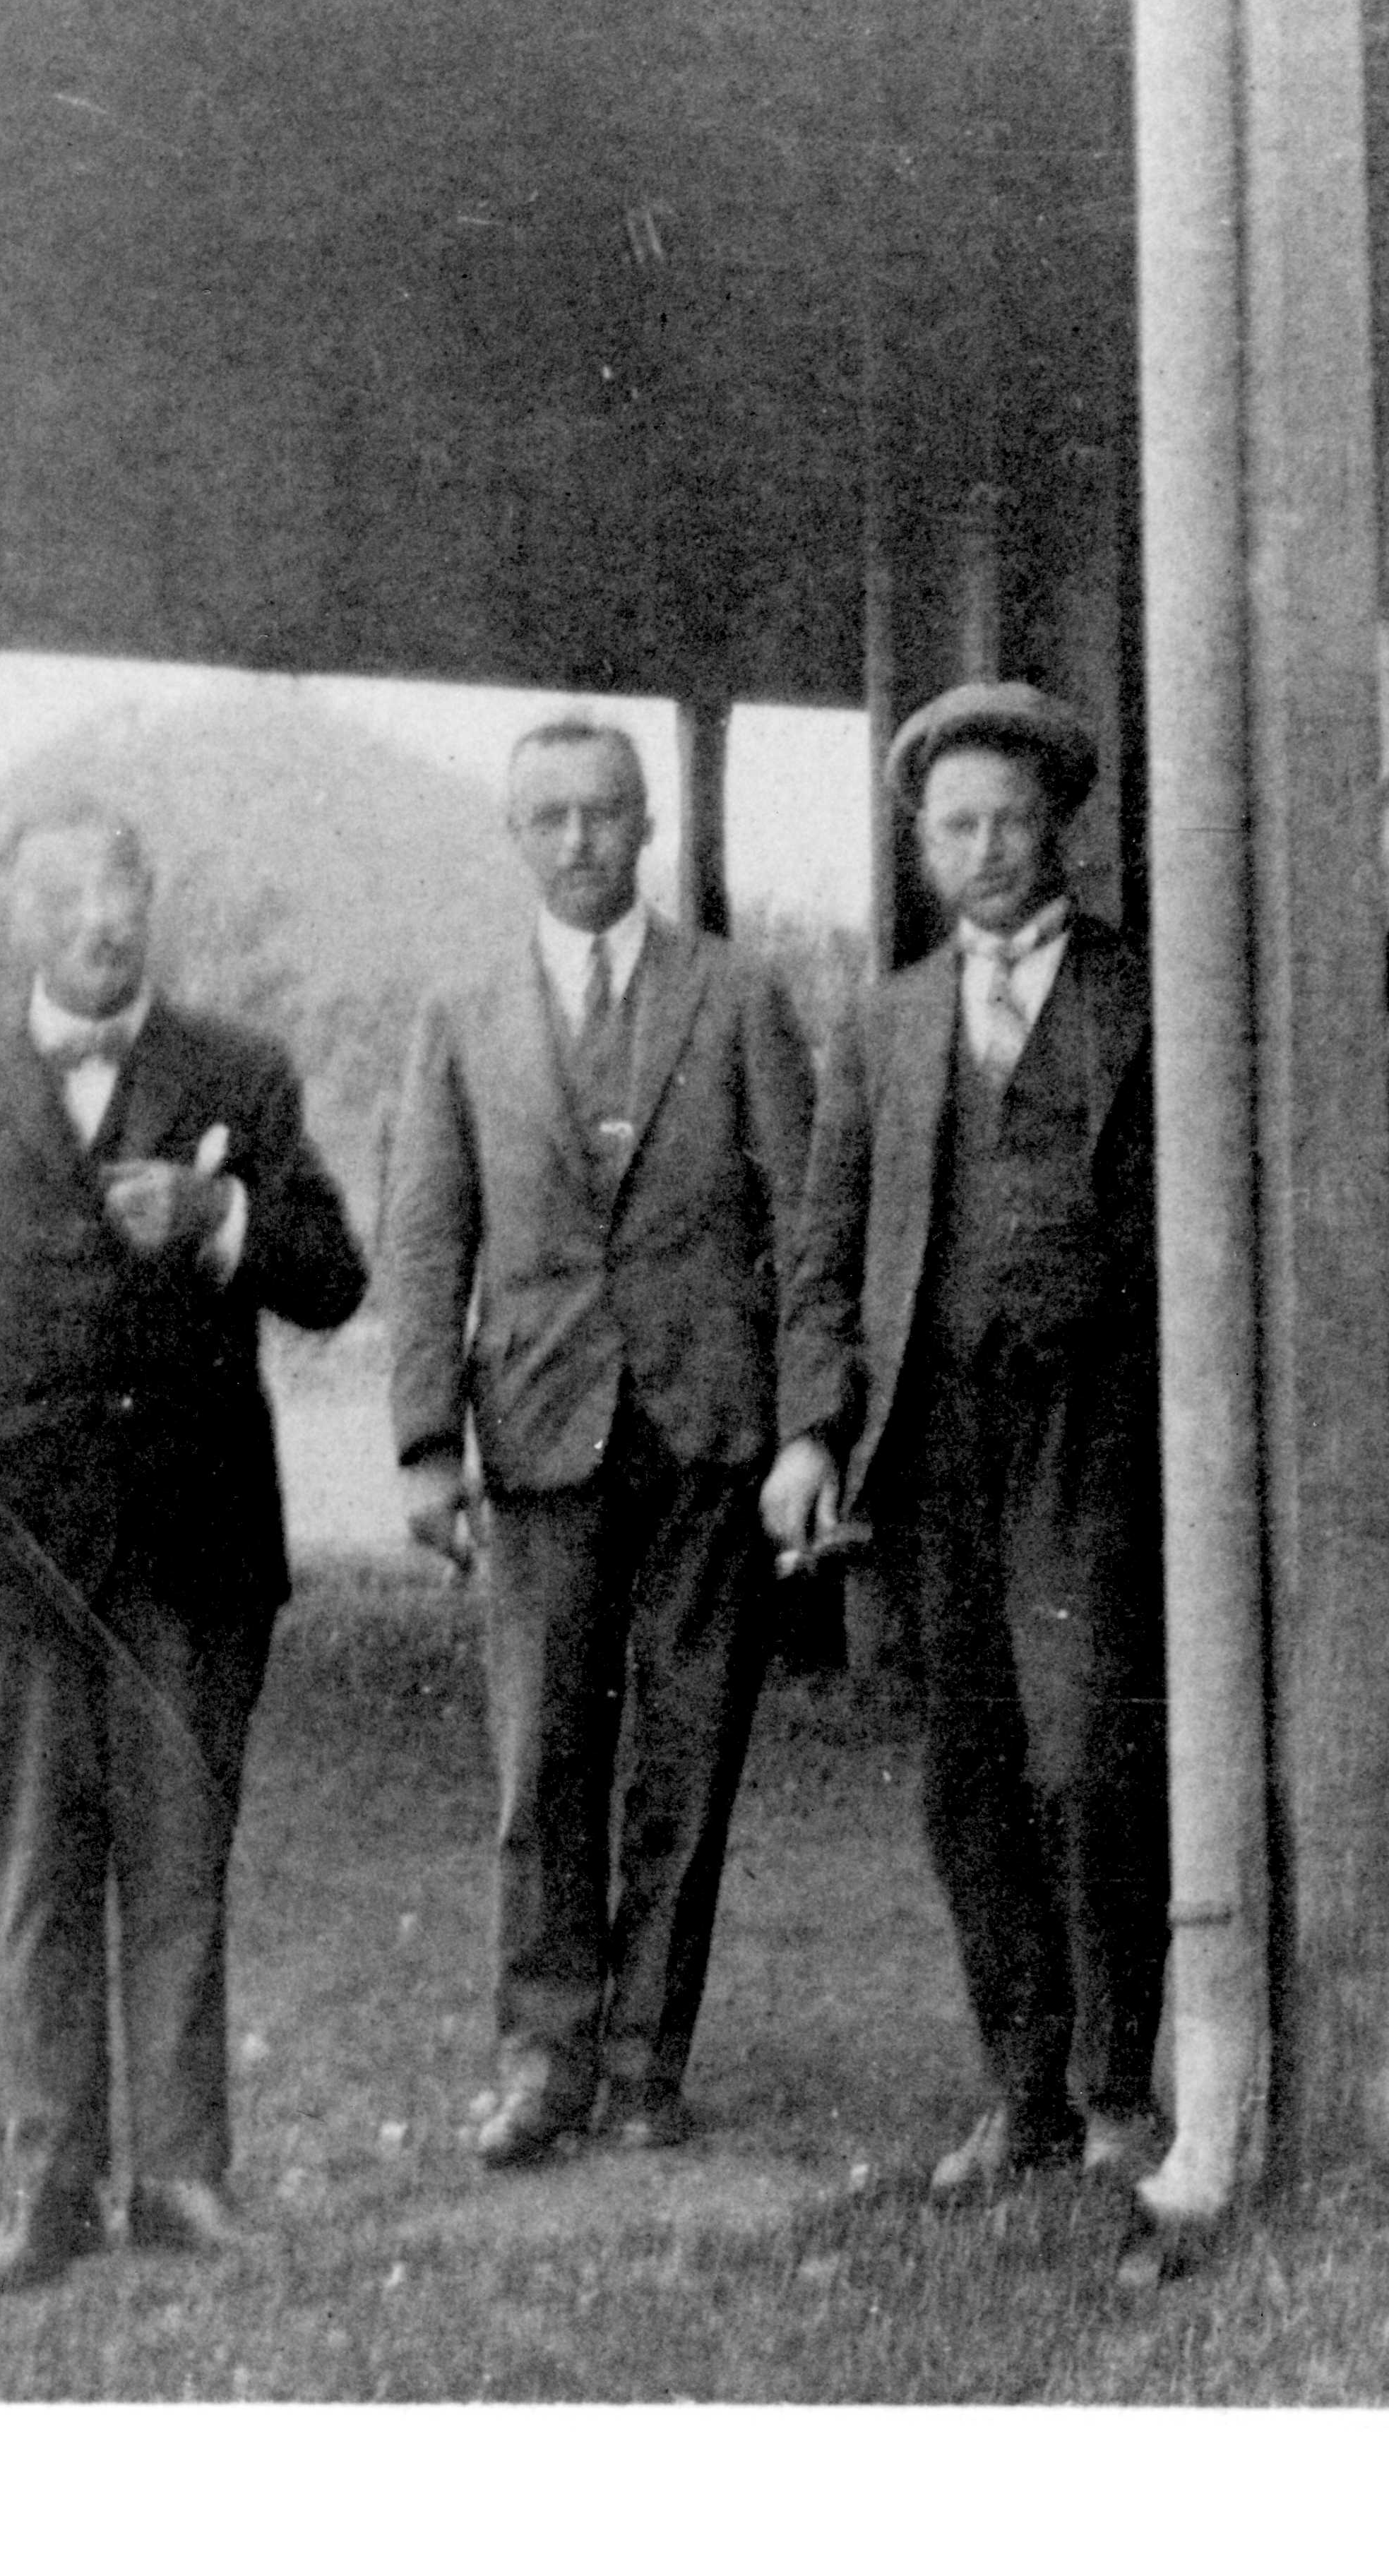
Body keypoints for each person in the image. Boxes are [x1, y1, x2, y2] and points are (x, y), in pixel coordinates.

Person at [0, 805, 368, 2301]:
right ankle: (51, 2189)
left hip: (195, 1546)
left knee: (180, 1865)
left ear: (150, 902)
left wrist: (219, 1214)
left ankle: (182, 2176)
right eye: (70, 894)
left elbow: (333, 1276)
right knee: (43, 1875)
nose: (104, 918)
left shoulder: (236, 1070)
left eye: (125, 889)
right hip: (15, 1549)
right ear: (19, 915)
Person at [380, 720, 820, 2166]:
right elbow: (430, 1231)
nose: (580, 840)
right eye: (550, 817)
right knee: (543, 1754)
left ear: (646, 829)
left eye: (605, 814)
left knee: (686, 1754)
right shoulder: (462, 1014)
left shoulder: (736, 993)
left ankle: (647, 2058)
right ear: (517, 837)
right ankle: (542, 2058)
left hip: (706, 1426)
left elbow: (803, 1225)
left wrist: (802, 1426)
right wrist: (426, 1445)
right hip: (540, 1421)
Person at [768, 683, 1169, 2194]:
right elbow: (821, 1257)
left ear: (1059, 822)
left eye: (1013, 818)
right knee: (968, 1773)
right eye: (959, 825)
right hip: (931, 1442)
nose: (991, 848)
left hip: (1092, 1429)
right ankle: (1021, 2092)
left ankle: (1119, 2081)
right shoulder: (887, 1022)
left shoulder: (1146, 994)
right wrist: (811, 1431)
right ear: (920, 844)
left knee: (1087, 1756)